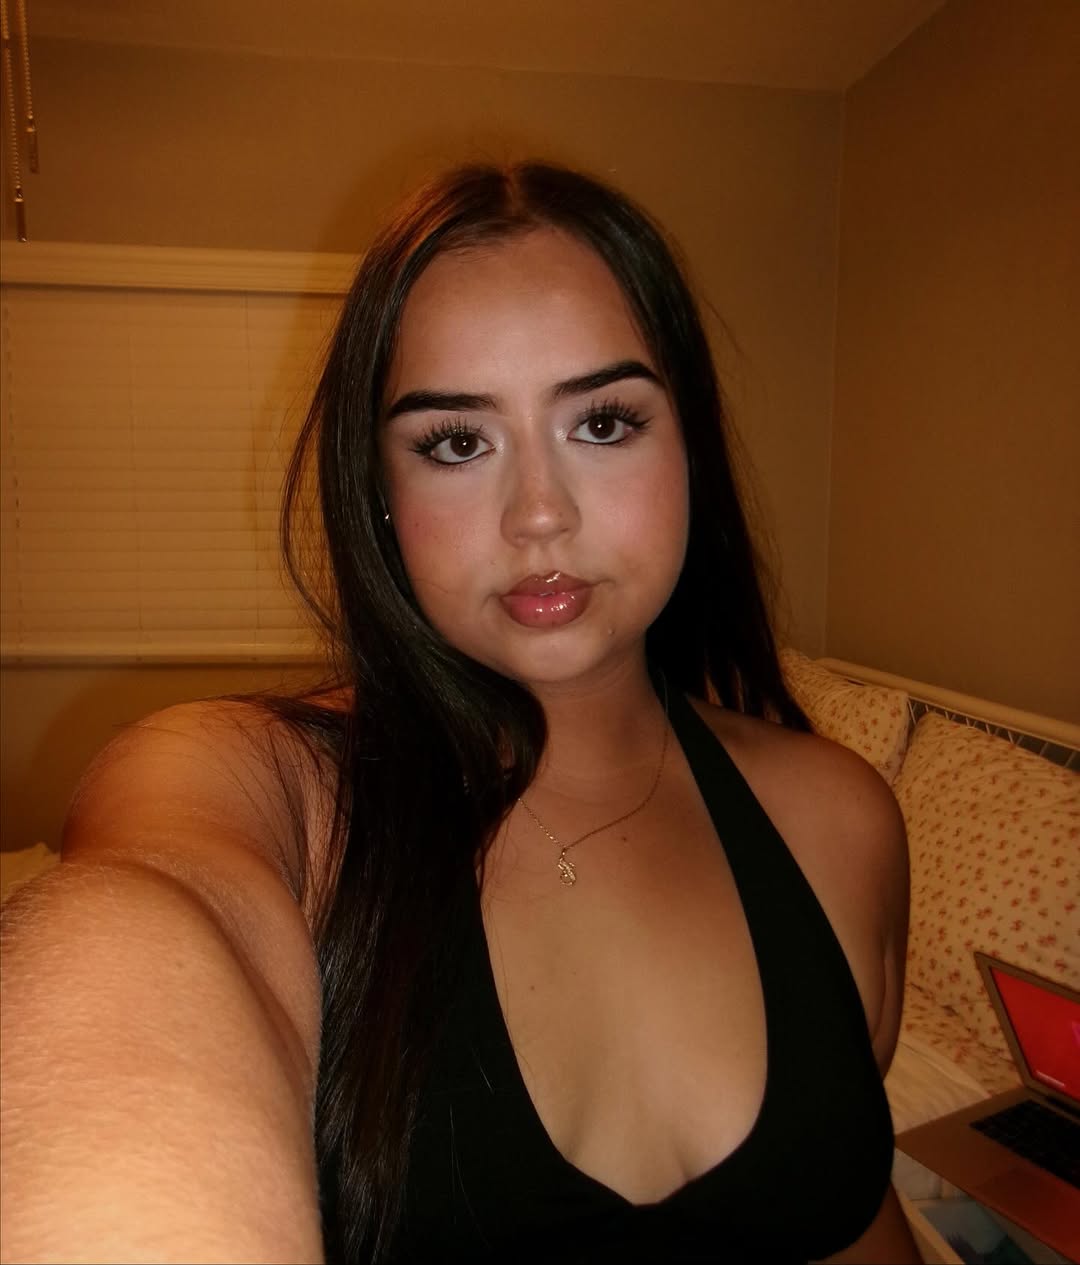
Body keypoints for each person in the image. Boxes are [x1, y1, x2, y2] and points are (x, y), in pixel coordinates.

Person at [0, 162, 919, 1264]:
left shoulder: (841, 822)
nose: (539, 513)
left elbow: (849, 1209)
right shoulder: (260, 787)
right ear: (380, 492)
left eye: (604, 422)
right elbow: (142, 931)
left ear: (690, 443)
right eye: (456, 442)